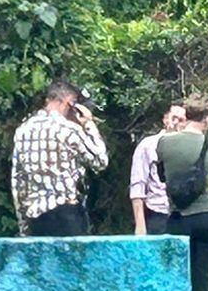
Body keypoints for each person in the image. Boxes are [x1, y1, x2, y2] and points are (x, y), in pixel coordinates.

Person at [156, 96, 208, 291]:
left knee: (176, 273)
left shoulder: (165, 142)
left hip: (178, 217)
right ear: (207, 119)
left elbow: (161, 176)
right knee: (201, 274)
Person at [10, 80, 109, 236]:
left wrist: (23, 225)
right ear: (69, 104)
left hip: (36, 217)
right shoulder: (69, 129)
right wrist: (88, 123)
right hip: (67, 214)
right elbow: (100, 160)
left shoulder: (23, 130)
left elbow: (18, 181)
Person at [129, 102, 186, 235]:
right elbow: (137, 185)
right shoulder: (148, 145)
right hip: (157, 213)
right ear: (165, 119)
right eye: (174, 118)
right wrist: (140, 225)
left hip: (183, 215)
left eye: (182, 120)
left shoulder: (190, 147)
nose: (177, 123)